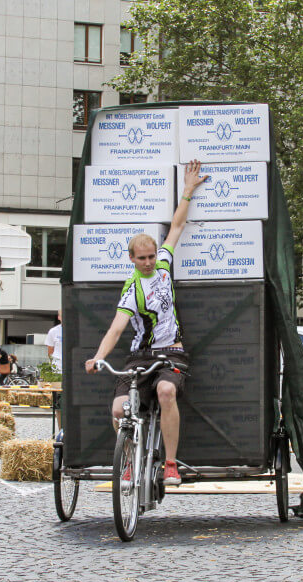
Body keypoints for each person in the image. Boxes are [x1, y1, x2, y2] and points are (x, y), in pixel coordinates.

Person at [85, 159, 208, 486]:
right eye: (142, 258)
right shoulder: (131, 288)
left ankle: (170, 465)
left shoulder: (165, 264)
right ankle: (128, 458)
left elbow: (177, 226)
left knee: (167, 391)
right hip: (140, 356)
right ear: (132, 259)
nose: (149, 262)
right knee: (118, 410)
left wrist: (188, 190)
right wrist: (98, 357)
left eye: (151, 256)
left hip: (172, 353)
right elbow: (116, 328)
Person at [45, 310, 63, 429]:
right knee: (58, 403)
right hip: (58, 369)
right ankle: (61, 430)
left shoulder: (76, 329)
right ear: (59, 317)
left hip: (73, 369)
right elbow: (50, 352)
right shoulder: (53, 331)